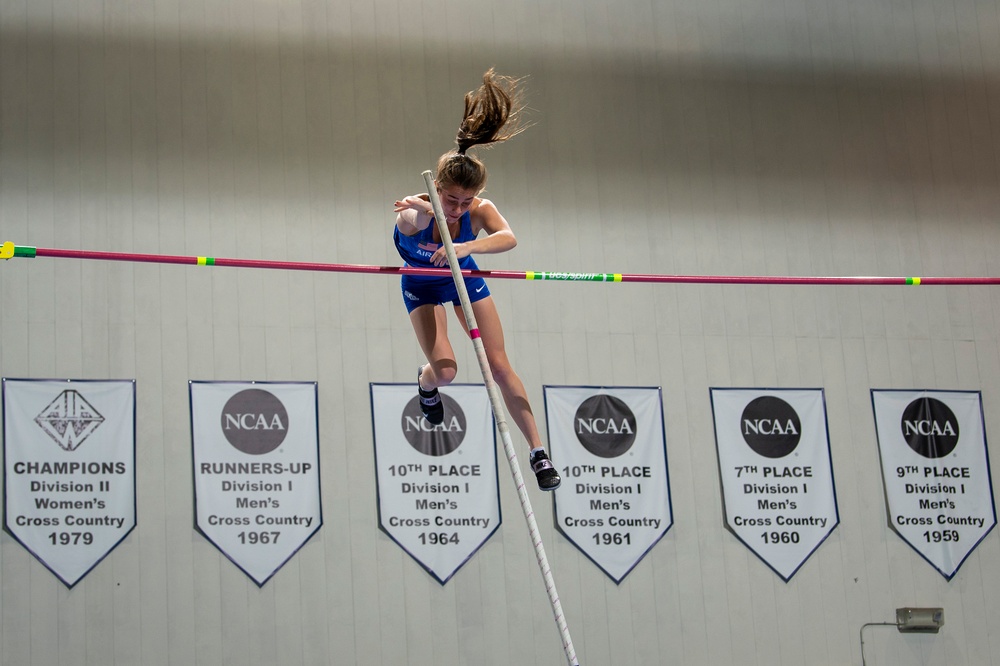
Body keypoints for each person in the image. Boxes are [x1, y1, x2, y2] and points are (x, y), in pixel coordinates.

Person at [392, 69, 561, 491]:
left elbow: (508, 238)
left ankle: (539, 453)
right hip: (423, 286)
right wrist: (428, 211)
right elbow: (407, 220)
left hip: (464, 278)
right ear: (437, 190)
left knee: (500, 365)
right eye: (450, 199)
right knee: (446, 371)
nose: (458, 208)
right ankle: (425, 383)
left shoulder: (478, 210)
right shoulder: (418, 212)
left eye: (466, 202)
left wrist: (466, 248)